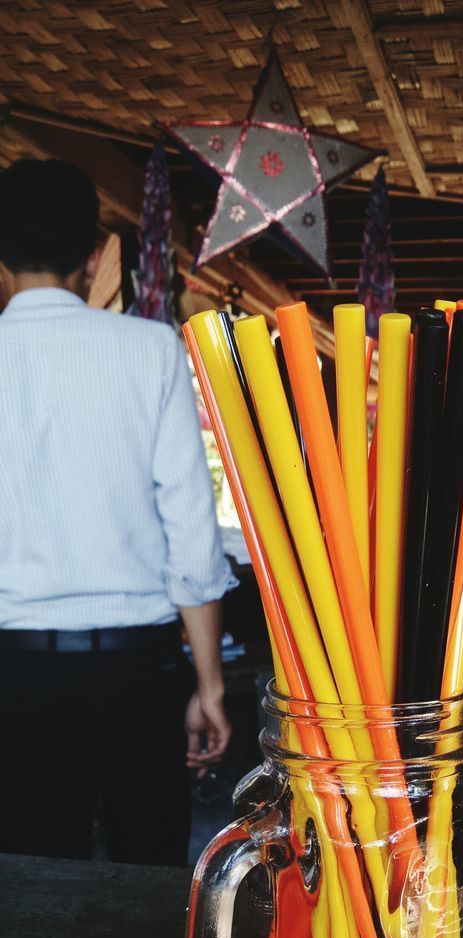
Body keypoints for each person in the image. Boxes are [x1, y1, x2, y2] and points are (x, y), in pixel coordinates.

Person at [0, 159, 235, 866]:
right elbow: (191, 534)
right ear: (97, 255)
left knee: (29, 890)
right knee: (147, 879)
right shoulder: (150, 350)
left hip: (13, 674)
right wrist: (210, 685)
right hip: (137, 670)